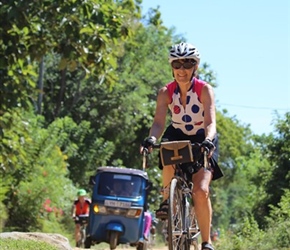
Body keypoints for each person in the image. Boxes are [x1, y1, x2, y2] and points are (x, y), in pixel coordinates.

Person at [140, 42, 223, 250]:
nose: (182, 70)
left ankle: (206, 242)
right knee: (167, 150)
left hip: (202, 135)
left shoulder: (204, 89)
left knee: (200, 191)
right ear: (172, 67)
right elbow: (159, 123)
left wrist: (208, 140)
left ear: (195, 66)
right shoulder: (165, 92)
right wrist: (151, 138)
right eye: (177, 64)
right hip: (177, 132)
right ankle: (167, 199)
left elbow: (211, 122)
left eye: (187, 64)